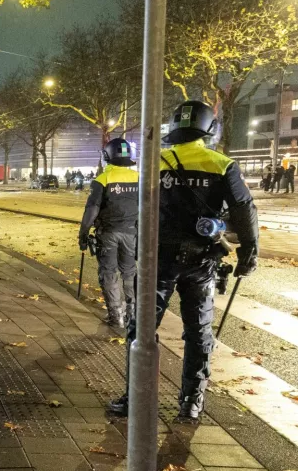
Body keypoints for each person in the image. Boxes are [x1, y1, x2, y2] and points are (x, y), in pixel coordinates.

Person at [107, 101, 258, 421]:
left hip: (156, 261)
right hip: (202, 262)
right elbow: (245, 210)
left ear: (174, 128)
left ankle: (136, 398)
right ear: (210, 129)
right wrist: (249, 252)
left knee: (141, 329)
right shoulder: (221, 164)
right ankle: (191, 400)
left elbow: (138, 207)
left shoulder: (153, 163)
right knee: (199, 330)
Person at [78, 138, 139, 328]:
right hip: (131, 233)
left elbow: (92, 210)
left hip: (108, 234)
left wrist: (83, 233)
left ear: (107, 156)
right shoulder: (138, 179)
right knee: (129, 272)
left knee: (109, 273)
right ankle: (133, 314)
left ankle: (115, 316)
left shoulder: (102, 180)